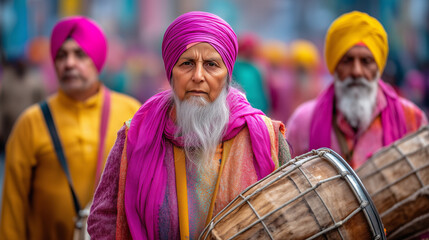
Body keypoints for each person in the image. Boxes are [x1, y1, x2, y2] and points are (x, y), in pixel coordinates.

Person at [87, 11, 291, 240]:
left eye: (212, 64)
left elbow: (290, 222)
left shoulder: (265, 136)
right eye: (187, 63)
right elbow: (104, 221)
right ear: (171, 73)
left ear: (227, 75)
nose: (198, 76)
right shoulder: (135, 135)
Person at [0, 16, 141, 239]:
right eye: (61, 55)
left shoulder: (131, 113)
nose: (69, 63)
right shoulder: (30, 123)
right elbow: (12, 209)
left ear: (96, 59)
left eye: (80, 54)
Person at [286, 11, 428, 169]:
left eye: (366, 61)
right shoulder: (303, 122)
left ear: (378, 67)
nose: (357, 71)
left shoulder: (411, 119)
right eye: (347, 61)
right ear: (335, 66)